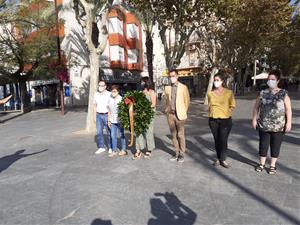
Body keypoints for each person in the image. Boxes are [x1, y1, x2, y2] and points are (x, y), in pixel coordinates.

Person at [252, 70, 292, 175]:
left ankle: (272, 165)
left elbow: (288, 109)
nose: (270, 81)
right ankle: (261, 164)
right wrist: (254, 119)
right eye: (269, 79)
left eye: (273, 79)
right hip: (264, 124)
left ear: (278, 81)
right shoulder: (262, 93)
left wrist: (289, 123)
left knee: (275, 145)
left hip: (279, 126)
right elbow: (256, 108)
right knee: (263, 145)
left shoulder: (283, 93)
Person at [207, 72, 236, 168]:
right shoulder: (210, 93)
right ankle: (218, 158)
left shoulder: (229, 93)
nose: (215, 82)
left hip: (225, 121)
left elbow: (232, 105)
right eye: (214, 80)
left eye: (217, 80)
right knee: (216, 140)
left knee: (223, 140)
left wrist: (226, 112)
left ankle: (223, 159)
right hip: (213, 120)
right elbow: (209, 106)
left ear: (222, 81)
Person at [164, 68, 190, 163]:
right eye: (170, 76)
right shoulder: (167, 88)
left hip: (180, 115)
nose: (172, 78)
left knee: (180, 135)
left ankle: (182, 154)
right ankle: (176, 153)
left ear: (177, 76)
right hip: (170, 115)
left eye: (173, 76)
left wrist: (183, 111)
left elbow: (187, 101)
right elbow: (166, 100)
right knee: (174, 136)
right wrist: (167, 110)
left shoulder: (183, 87)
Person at [133, 77, 156, 159]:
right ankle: (138, 150)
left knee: (148, 132)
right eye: (141, 82)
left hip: (149, 115)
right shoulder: (140, 92)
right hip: (140, 115)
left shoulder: (151, 92)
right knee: (138, 132)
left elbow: (153, 104)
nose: (141, 83)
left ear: (146, 82)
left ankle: (149, 150)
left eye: (142, 82)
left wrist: (144, 110)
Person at [107, 85, 127, 158]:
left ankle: (123, 150)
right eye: (112, 91)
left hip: (120, 120)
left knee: (121, 135)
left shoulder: (121, 99)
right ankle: (114, 150)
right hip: (112, 120)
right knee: (113, 136)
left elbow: (124, 110)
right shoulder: (110, 99)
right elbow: (109, 110)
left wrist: (123, 119)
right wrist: (108, 120)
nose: (113, 93)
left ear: (118, 92)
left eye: (115, 91)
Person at [94, 80, 112, 154]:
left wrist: (109, 118)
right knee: (99, 132)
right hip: (98, 115)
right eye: (99, 85)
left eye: (102, 85)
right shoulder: (96, 94)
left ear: (105, 87)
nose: (100, 87)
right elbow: (94, 105)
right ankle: (101, 147)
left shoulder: (109, 94)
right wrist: (94, 117)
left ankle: (110, 147)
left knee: (109, 132)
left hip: (106, 114)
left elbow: (111, 107)